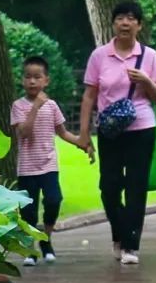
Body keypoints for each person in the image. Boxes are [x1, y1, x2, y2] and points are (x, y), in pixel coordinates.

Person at [78, 2, 156, 266]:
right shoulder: (100, 56)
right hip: (110, 131)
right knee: (109, 187)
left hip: (142, 128)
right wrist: (83, 134)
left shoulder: (148, 56)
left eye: (131, 19)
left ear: (139, 25)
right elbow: (89, 95)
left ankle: (130, 245)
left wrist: (146, 81)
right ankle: (118, 233)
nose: (125, 23)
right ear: (113, 24)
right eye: (120, 18)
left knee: (136, 187)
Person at [10, 56, 94, 266]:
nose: (32, 82)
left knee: (54, 201)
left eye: (37, 77)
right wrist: (35, 107)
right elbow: (24, 132)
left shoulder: (52, 106)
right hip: (27, 168)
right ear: (22, 80)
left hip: (48, 166)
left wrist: (82, 143)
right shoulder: (18, 106)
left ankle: (46, 238)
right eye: (28, 77)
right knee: (28, 211)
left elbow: (63, 132)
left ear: (46, 80)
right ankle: (30, 249)